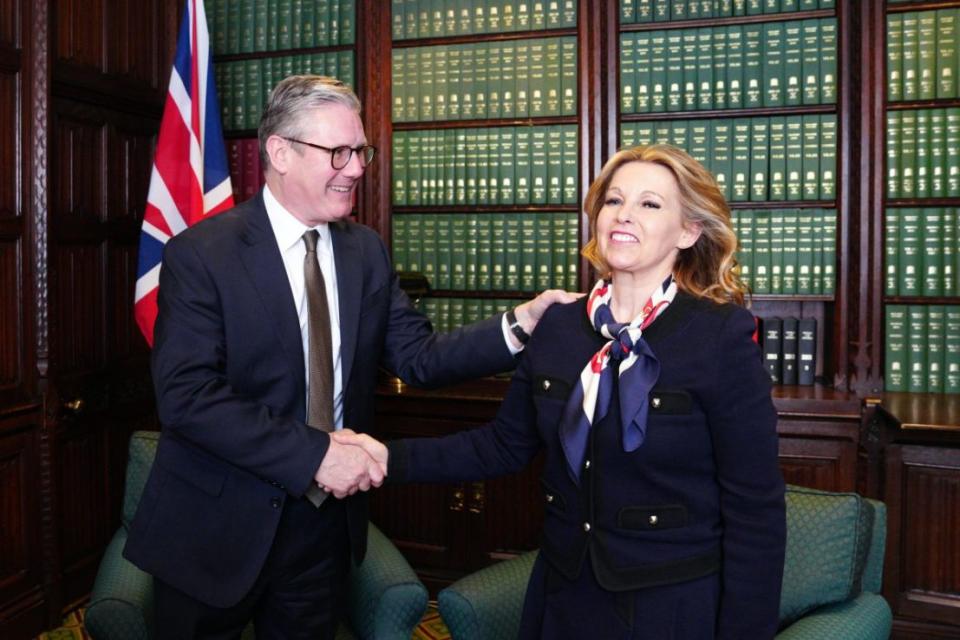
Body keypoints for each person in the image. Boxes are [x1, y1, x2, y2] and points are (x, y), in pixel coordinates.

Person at [123, 74, 576, 639]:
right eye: (338, 151)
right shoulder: (203, 253)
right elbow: (187, 398)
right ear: (280, 152)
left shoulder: (364, 250)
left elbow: (420, 356)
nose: (358, 167)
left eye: (360, 151)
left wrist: (521, 322)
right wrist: (316, 454)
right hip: (214, 528)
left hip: (323, 528)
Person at [344, 144, 787, 638]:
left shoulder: (721, 336)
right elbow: (503, 445)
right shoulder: (557, 326)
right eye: (613, 201)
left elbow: (756, 509)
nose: (623, 215)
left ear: (688, 231)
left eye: (649, 204)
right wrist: (383, 458)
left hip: (671, 603)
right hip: (564, 592)